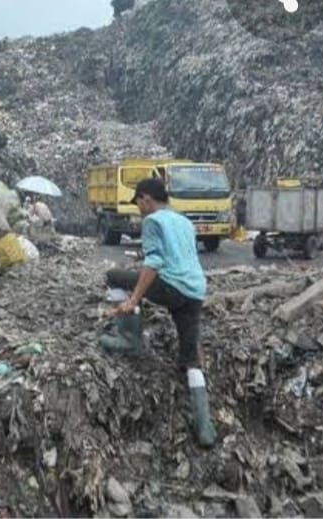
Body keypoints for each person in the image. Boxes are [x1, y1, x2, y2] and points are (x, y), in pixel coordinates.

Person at [100, 178, 216, 447]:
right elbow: (178, 255)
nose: (139, 208)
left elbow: (154, 262)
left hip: (172, 285)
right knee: (190, 358)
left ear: (146, 199)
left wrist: (133, 300)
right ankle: (205, 428)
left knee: (114, 276)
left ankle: (130, 339)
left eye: (138, 203)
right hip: (195, 289)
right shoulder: (183, 221)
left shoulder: (152, 221)